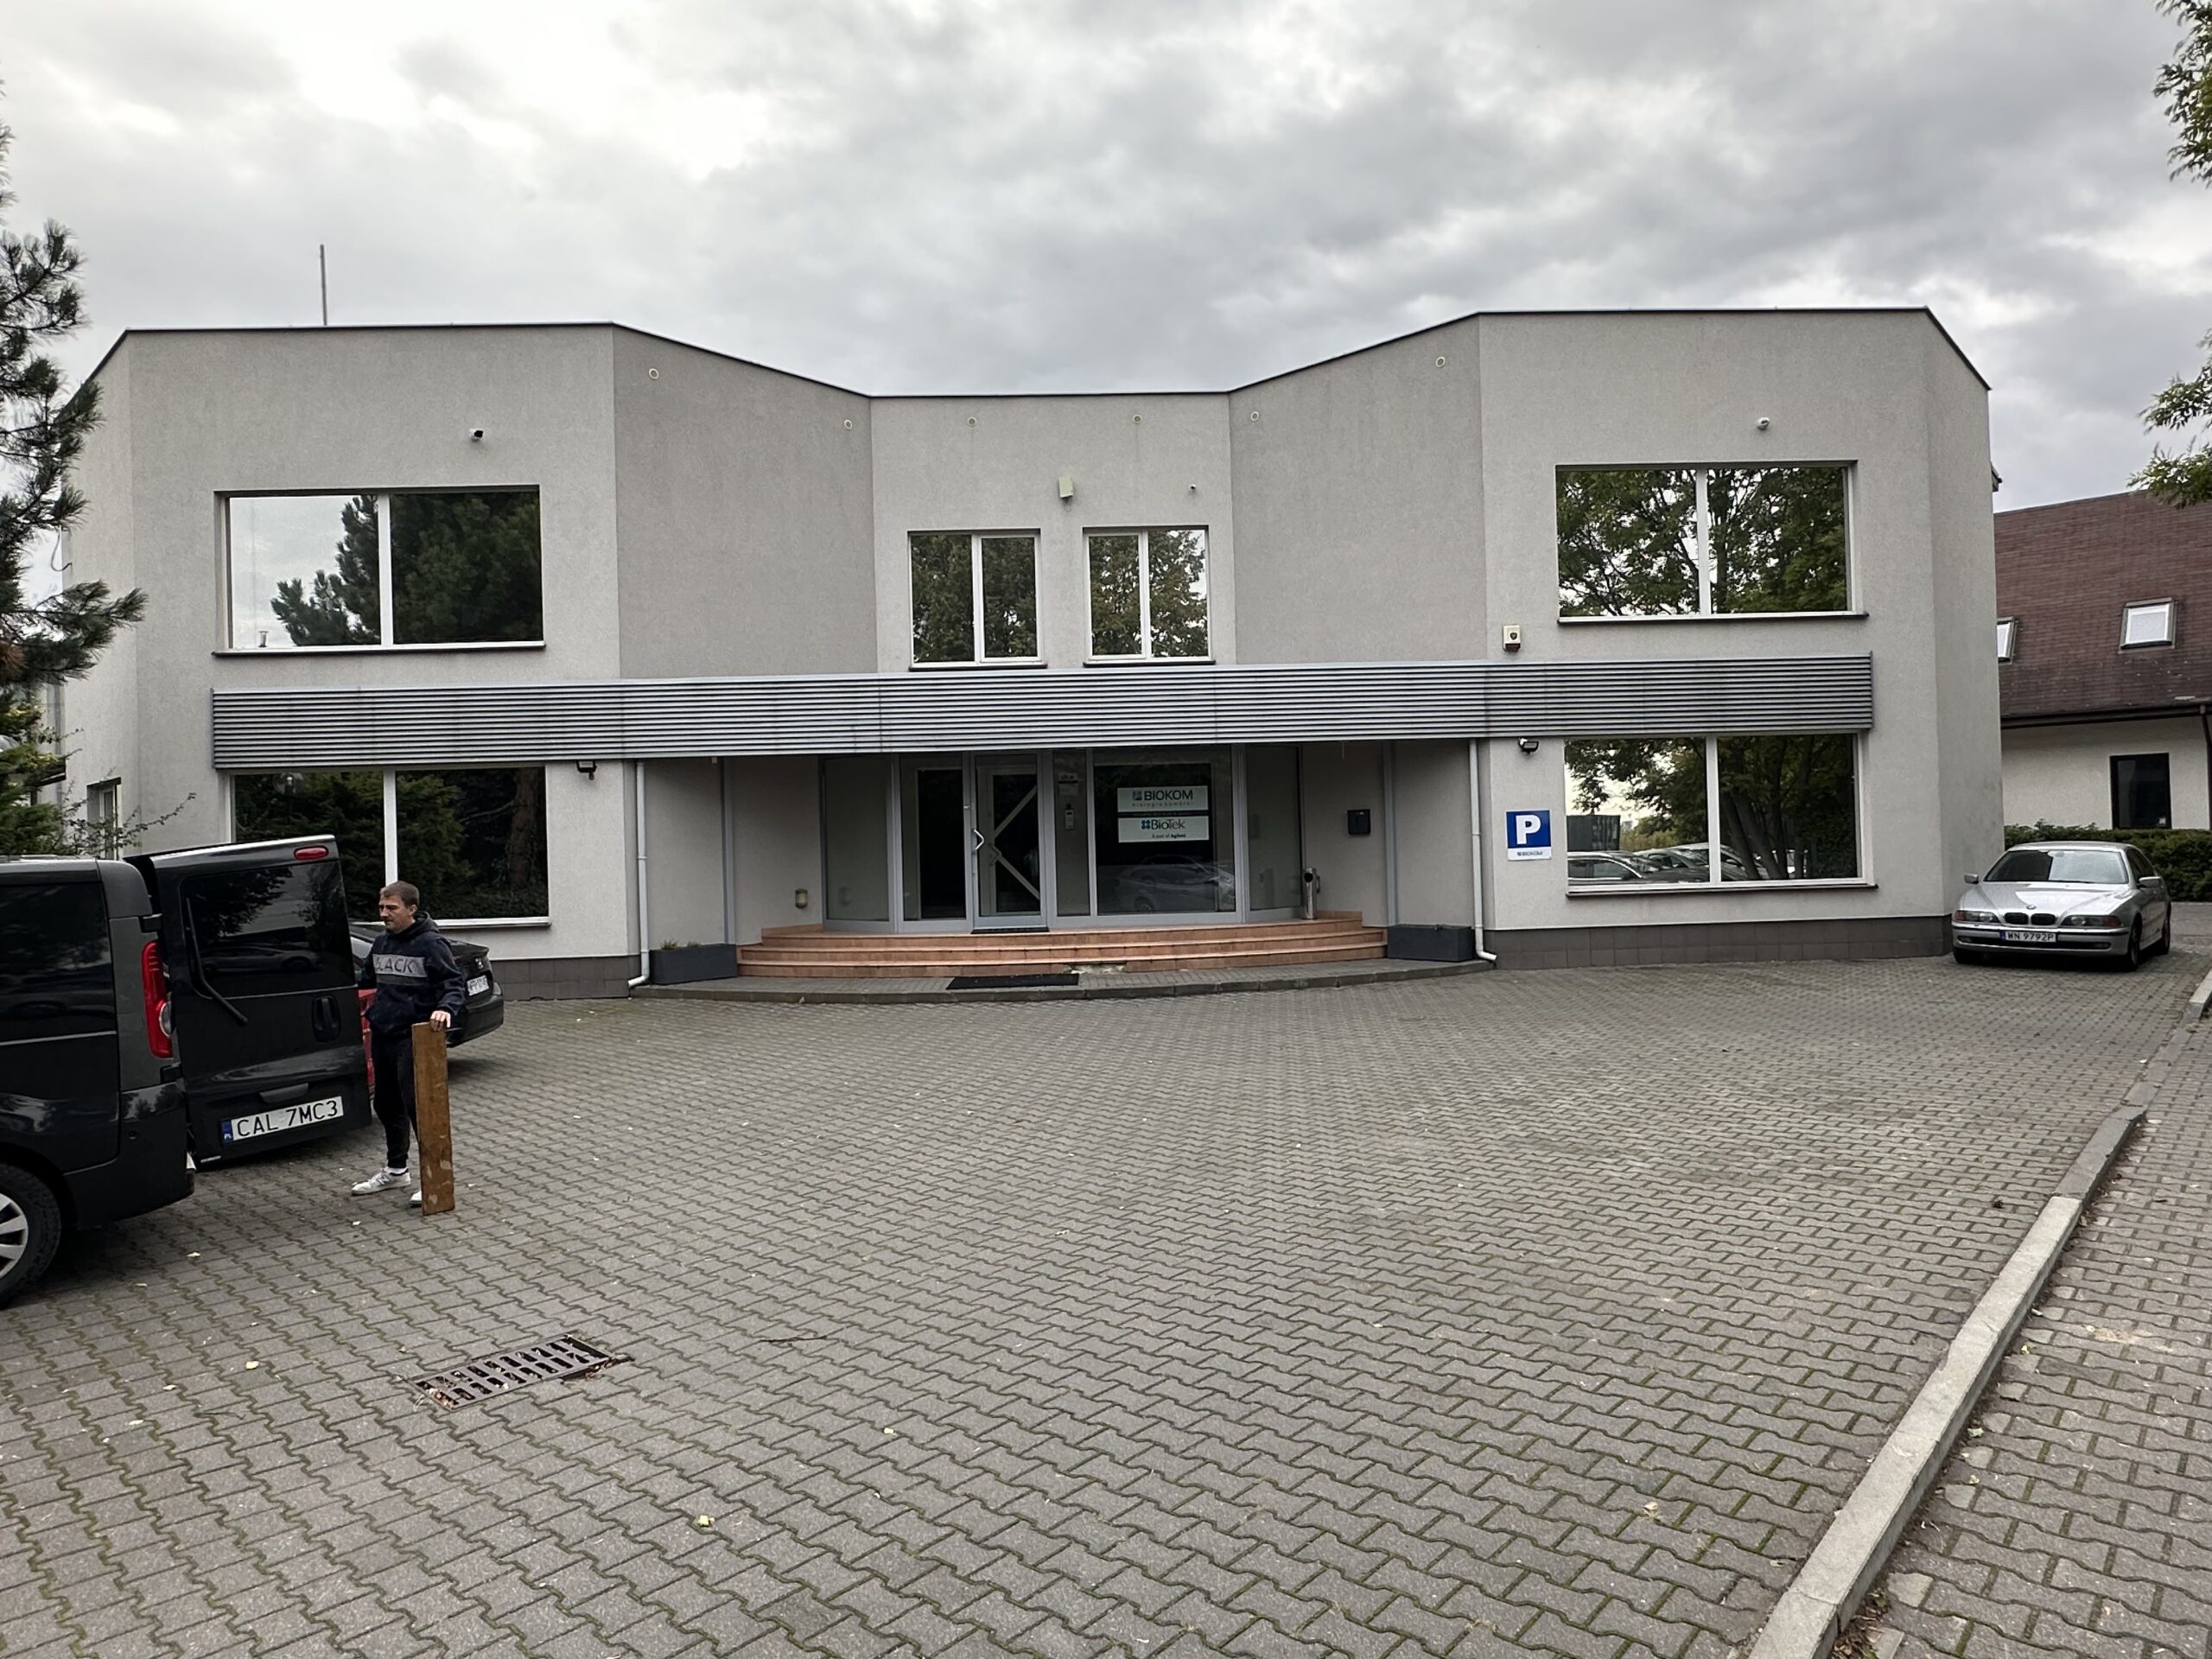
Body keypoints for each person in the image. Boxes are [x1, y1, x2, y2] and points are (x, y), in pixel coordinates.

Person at [350, 880, 465, 1205]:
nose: (384, 914)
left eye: (392, 908)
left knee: (419, 1106)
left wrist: (445, 1009)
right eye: (381, 907)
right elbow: (367, 979)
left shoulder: (431, 943)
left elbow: (453, 983)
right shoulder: (382, 942)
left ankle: (433, 1177)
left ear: (411, 909)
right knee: (386, 1104)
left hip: (415, 1036)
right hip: (383, 1033)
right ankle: (396, 1170)